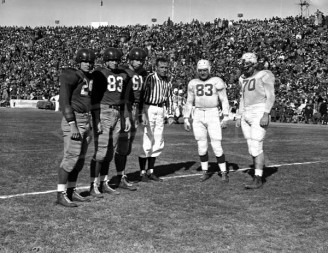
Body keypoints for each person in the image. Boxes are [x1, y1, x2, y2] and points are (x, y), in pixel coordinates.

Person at [89, 47, 132, 198]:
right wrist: (96, 119)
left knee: (109, 152)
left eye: (116, 60)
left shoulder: (124, 74)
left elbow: (125, 99)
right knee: (101, 151)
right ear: (106, 60)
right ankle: (93, 185)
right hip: (104, 111)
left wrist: (126, 116)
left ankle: (104, 182)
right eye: (111, 59)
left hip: (118, 113)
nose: (114, 62)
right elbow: (94, 98)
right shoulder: (100, 73)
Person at [56, 48, 95, 207]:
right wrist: (72, 125)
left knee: (79, 159)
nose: (88, 64)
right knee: (71, 157)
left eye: (90, 61)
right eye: (85, 61)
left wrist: (90, 124)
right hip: (74, 120)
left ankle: (71, 190)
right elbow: (64, 102)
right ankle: (60, 194)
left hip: (86, 119)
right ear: (79, 61)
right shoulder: (71, 74)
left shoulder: (89, 77)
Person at [183, 59, 230, 182]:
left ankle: (223, 171)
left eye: (204, 70)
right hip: (198, 113)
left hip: (212, 113)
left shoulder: (217, 81)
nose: (202, 73)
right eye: (200, 70)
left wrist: (225, 117)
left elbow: (224, 99)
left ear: (209, 69)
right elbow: (189, 101)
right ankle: (205, 171)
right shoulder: (193, 83)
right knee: (201, 145)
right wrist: (186, 118)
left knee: (216, 144)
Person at [235, 52, 275, 189]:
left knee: (257, 144)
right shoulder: (242, 78)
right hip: (246, 111)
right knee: (251, 146)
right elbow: (242, 98)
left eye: (247, 64)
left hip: (259, 110)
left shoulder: (264, 74)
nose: (245, 67)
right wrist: (239, 115)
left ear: (254, 63)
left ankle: (258, 178)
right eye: (243, 64)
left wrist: (266, 113)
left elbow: (271, 96)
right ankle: (257, 174)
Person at [111, 47, 148, 190]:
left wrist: (142, 111)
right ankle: (110, 178)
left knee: (126, 145)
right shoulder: (123, 71)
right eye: (137, 59)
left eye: (141, 60)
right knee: (117, 144)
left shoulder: (144, 73)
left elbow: (143, 94)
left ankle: (121, 175)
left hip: (136, 109)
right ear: (130, 59)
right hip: (125, 108)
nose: (139, 62)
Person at [138, 57, 172, 182]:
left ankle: (150, 171)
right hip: (149, 108)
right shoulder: (149, 78)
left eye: (166, 67)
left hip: (160, 109)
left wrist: (170, 114)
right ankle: (142, 172)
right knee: (147, 139)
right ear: (156, 67)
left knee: (158, 140)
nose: (164, 70)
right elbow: (141, 95)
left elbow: (169, 98)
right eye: (162, 67)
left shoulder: (168, 80)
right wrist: (142, 113)